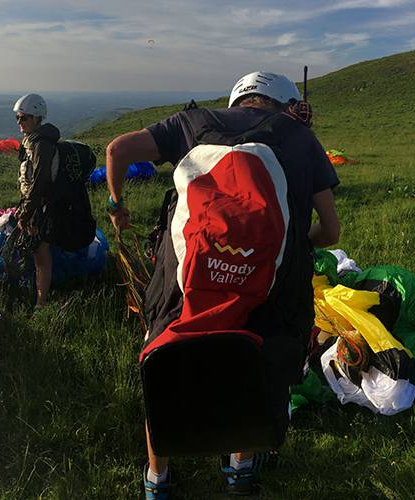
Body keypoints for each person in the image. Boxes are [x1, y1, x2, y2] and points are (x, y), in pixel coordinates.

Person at [105, 72, 340, 498]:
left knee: (167, 356)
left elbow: (117, 149)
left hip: (183, 278)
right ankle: (240, 469)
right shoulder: (302, 138)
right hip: (272, 284)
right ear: (285, 104)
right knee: (256, 362)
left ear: (238, 99)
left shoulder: (191, 123)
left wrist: (117, 206)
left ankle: (157, 479)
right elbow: (331, 230)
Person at [11, 93, 61, 307]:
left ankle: (41, 303)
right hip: (35, 203)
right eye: (18, 118)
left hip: (41, 205)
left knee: (41, 253)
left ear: (37, 117)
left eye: (24, 118)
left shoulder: (41, 144)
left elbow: (39, 181)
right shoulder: (34, 141)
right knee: (36, 249)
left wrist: (27, 212)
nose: (19, 122)